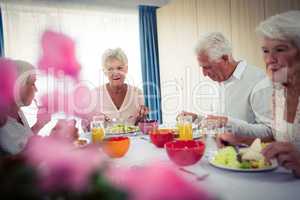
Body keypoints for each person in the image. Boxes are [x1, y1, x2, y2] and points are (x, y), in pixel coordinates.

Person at [179, 32, 273, 137]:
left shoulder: (259, 81)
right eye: (202, 67)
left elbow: (269, 131)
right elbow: (219, 122)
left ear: (225, 58)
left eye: (208, 67)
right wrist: (197, 119)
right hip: (220, 150)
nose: (204, 74)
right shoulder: (220, 80)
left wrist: (227, 122)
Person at [0, 59, 51, 155]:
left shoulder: (18, 111)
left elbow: (22, 143)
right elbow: (11, 164)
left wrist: (39, 124)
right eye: (33, 83)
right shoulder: (2, 120)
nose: (36, 90)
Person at [92, 48, 148, 125]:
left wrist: (142, 118)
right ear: (105, 72)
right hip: (104, 137)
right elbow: (87, 129)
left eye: (119, 68)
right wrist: (92, 120)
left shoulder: (137, 92)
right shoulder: (95, 94)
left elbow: (140, 127)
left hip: (131, 137)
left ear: (126, 69)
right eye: (110, 69)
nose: (115, 73)